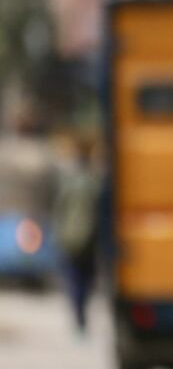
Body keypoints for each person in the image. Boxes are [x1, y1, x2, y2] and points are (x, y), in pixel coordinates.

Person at [52, 138, 101, 338]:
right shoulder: (93, 183)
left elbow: (58, 210)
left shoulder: (68, 184)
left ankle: (79, 317)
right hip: (88, 239)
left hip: (71, 238)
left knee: (75, 280)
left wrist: (58, 234)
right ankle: (81, 317)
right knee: (85, 280)